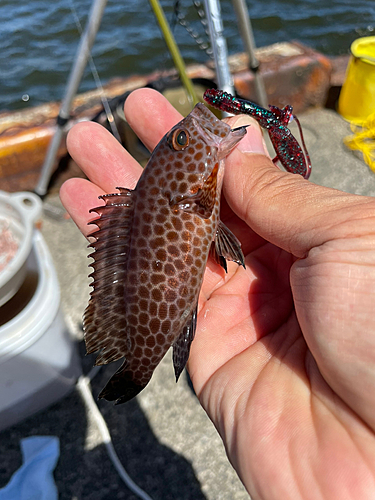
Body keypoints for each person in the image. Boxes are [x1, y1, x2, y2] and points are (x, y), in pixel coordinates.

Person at [60, 88, 375, 499]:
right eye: (181, 140)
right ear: (178, 178)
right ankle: (136, 367)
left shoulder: (193, 196)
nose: (193, 128)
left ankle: (136, 367)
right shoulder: (190, 197)